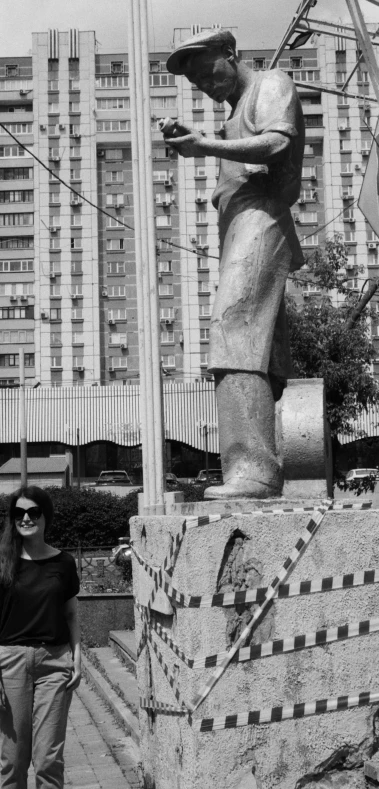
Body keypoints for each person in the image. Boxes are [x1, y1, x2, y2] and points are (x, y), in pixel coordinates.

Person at [164, 28, 305, 499]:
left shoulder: (271, 84)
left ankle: (253, 470)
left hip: (263, 216)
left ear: (231, 52)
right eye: (196, 82)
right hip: (240, 226)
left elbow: (276, 144)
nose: (205, 83)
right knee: (259, 352)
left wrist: (204, 146)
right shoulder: (230, 118)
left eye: (207, 71)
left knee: (233, 325)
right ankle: (263, 465)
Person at [0, 485, 81, 789]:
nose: (26, 518)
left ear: (45, 516)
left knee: (48, 759)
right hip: (11, 663)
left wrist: (78, 658)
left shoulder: (63, 564)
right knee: (14, 760)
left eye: (33, 512)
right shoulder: (2, 563)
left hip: (55, 663)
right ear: (12, 518)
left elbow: (71, 615)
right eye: (19, 513)